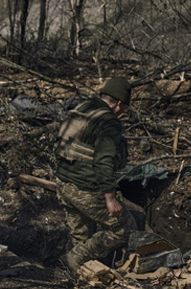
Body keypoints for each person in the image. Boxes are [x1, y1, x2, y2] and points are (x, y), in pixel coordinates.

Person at [53, 77, 134, 275]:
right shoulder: (109, 121)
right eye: (123, 110)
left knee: (79, 234)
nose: (121, 113)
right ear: (118, 104)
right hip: (85, 188)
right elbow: (103, 161)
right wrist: (110, 197)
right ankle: (73, 260)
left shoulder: (82, 108)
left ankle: (71, 275)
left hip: (63, 183)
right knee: (124, 228)